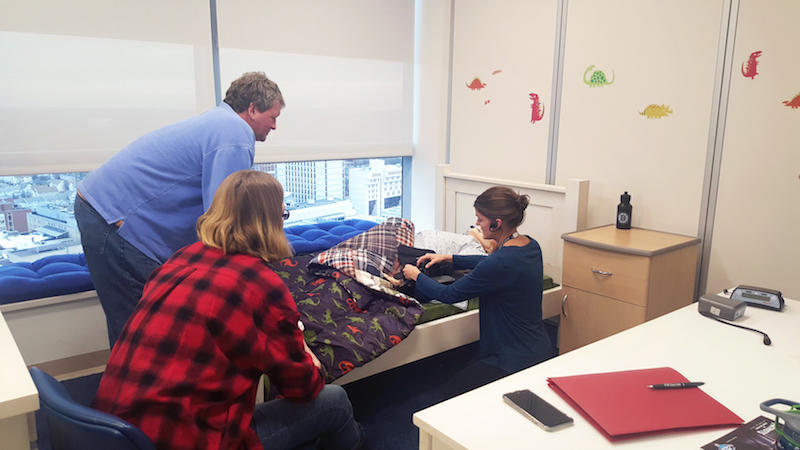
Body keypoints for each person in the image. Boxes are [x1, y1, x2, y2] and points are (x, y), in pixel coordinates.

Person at [93, 170, 365, 450]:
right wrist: (311, 361)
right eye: (282, 217)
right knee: (336, 403)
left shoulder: (180, 259)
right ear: (270, 222)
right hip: (186, 439)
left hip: (113, 431)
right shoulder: (260, 284)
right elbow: (301, 388)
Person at [74, 71, 284, 347]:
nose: (275, 126)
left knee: (132, 326)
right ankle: (139, 388)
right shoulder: (234, 133)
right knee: (146, 328)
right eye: (274, 116)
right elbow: (224, 217)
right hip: (116, 220)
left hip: (102, 209)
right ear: (253, 109)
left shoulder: (217, 123)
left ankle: (130, 385)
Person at [402, 186, 555, 398]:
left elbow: (449, 295)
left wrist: (415, 275)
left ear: (496, 223)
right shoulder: (530, 245)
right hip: (537, 347)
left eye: (480, 219)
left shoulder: (500, 263)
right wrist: (450, 257)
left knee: (443, 401)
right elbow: (490, 261)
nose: (477, 225)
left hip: (511, 359)